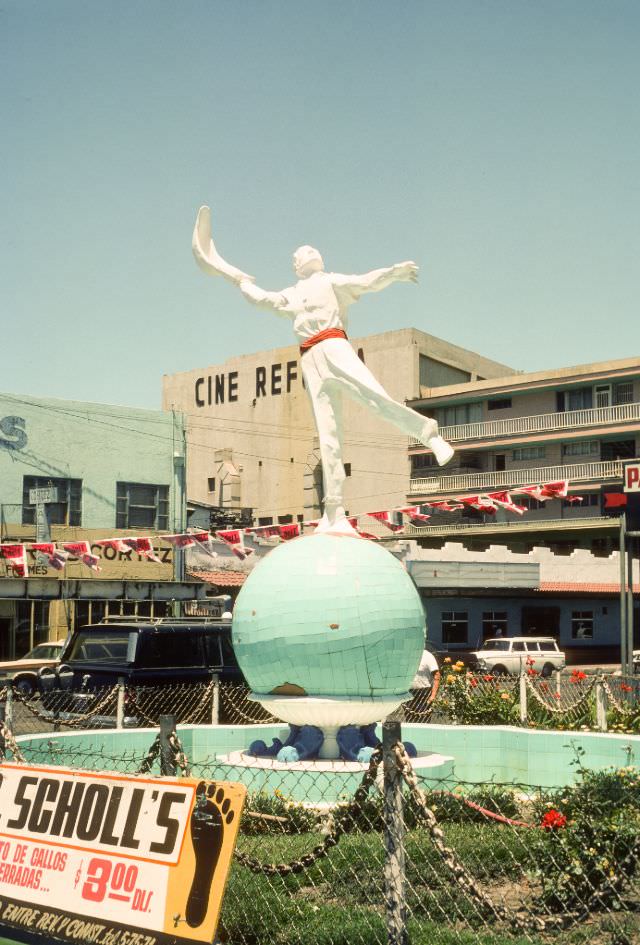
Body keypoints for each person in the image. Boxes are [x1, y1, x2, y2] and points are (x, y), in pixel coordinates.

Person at [193, 206, 454, 535]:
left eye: (310, 250)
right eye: (300, 253)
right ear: (296, 266)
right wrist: (241, 280)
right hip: (310, 358)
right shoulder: (292, 294)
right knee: (329, 437)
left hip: (334, 344)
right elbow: (263, 300)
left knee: (374, 397)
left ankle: (428, 434)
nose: (307, 253)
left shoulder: (331, 281)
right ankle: (334, 510)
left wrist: (392, 273)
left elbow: (365, 281)